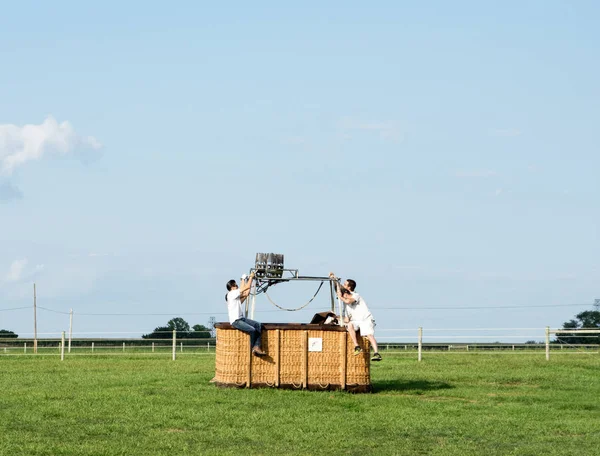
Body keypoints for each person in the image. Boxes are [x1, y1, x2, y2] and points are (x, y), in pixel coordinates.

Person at [329, 272, 382, 361]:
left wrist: (340, 296)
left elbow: (347, 300)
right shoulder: (346, 308)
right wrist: (336, 318)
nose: (343, 286)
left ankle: (376, 353)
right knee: (350, 325)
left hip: (365, 319)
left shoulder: (356, 296)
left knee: (369, 335)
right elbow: (346, 319)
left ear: (349, 288)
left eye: (345, 285)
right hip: (356, 321)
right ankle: (357, 346)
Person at [225, 272, 266, 357]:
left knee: (258, 325)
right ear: (232, 287)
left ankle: (257, 347)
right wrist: (250, 277)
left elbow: (246, 293)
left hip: (241, 319)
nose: (237, 287)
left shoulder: (235, 297)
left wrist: (243, 279)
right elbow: (246, 287)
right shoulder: (232, 294)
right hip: (236, 321)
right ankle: (253, 349)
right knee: (252, 330)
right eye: (236, 285)